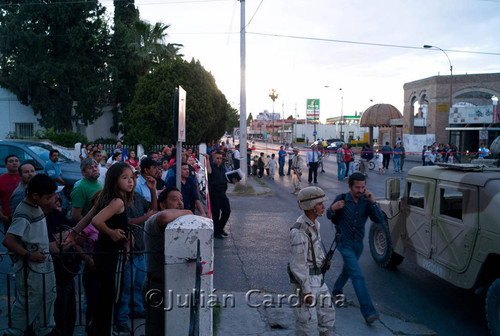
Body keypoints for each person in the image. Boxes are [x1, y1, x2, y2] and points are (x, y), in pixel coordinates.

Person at [2, 174, 58, 336]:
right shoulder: (24, 212)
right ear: (35, 196)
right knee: (28, 304)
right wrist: (29, 255)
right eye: (48, 197)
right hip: (31, 270)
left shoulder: (36, 206)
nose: (50, 199)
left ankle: (43, 329)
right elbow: (9, 241)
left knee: (46, 300)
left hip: (42, 267)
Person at [326, 172, 385, 324]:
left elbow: (379, 219)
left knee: (348, 270)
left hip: (358, 244)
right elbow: (329, 215)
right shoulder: (341, 199)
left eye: (363, 187)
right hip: (344, 243)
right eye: (357, 187)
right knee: (357, 275)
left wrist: (373, 202)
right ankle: (369, 312)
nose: (360, 190)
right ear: (350, 186)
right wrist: (333, 208)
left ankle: (337, 291)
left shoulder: (366, 201)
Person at [87, 163, 135, 336]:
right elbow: (96, 221)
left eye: (131, 177)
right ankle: (104, 330)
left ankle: (99, 327)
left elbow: (87, 217)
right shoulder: (117, 201)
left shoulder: (107, 198)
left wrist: (72, 234)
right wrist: (111, 232)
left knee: (105, 294)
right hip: (112, 255)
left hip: (105, 254)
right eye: (125, 178)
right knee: (111, 295)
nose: (130, 181)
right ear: (114, 181)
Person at [142, 187, 193, 336]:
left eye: (181, 199)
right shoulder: (155, 220)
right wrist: (189, 212)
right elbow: (163, 217)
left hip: (173, 286)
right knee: (156, 329)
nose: (180, 203)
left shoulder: (177, 223)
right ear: (163, 205)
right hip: (157, 286)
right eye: (174, 199)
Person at [290, 186, 335, 335]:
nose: (324, 207)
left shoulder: (315, 225)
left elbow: (313, 252)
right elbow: (297, 265)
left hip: (318, 280)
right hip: (307, 283)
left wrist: (323, 261)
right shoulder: (299, 232)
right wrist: (306, 290)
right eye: (319, 203)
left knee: (327, 316)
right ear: (309, 206)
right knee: (307, 324)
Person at [204, 151, 232, 238]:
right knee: (215, 214)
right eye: (217, 158)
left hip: (222, 192)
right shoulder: (211, 166)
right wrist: (207, 159)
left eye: (220, 158)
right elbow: (209, 171)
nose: (219, 160)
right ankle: (216, 232)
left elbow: (228, 177)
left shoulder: (223, 167)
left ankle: (220, 228)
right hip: (214, 193)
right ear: (213, 158)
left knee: (227, 211)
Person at [71, 158, 103, 224]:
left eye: (96, 166)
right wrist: (90, 228)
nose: (94, 169)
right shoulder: (80, 188)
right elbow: (75, 215)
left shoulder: (99, 183)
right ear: (83, 172)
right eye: (90, 168)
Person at [0, 154, 21, 231]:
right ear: (6, 165)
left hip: (26, 216)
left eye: (16, 161)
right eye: (11, 161)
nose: (14, 163)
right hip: (8, 217)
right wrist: (1, 216)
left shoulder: (25, 177)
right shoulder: (1, 179)